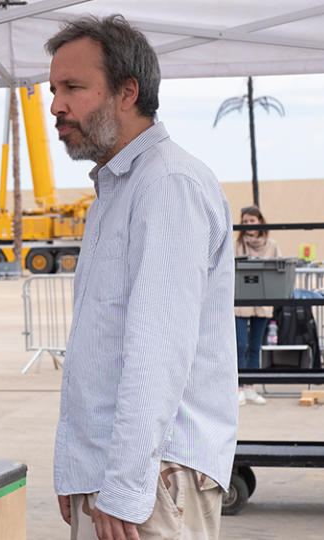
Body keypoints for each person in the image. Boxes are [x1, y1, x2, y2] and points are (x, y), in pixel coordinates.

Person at [47, 15, 237, 540]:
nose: (56, 105)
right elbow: (101, 346)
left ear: (128, 91)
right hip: (121, 476)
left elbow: (157, 351)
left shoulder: (167, 185)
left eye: (73, 88)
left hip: (153, 478)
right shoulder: (118, 189)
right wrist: (79, 470)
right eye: (53, 89)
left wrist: (127, 486)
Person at [234, 205, 281, 405]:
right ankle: (238, 386)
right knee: (239, 344)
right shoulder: (236, 244)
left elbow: (278, 268)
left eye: (251, 221)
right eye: (244, 221)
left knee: (255, 345)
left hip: (261, 302)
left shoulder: (271, 245)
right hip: (240, 302)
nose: (248, 225)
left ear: (260, 221)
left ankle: (250, 386)